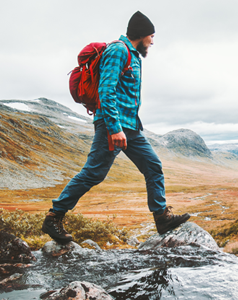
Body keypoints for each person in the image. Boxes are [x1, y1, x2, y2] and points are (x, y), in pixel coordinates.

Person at [42, 11, 190, 244]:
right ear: (141, 35)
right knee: (93, 173)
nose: (153, 41)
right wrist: (114, 128)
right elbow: (106, 90)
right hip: (113, 125)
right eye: (151, 36)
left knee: (153, 166)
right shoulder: (118, 51)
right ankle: (54, 216)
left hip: (130, 126)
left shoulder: (133, 55)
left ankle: (161, 218)